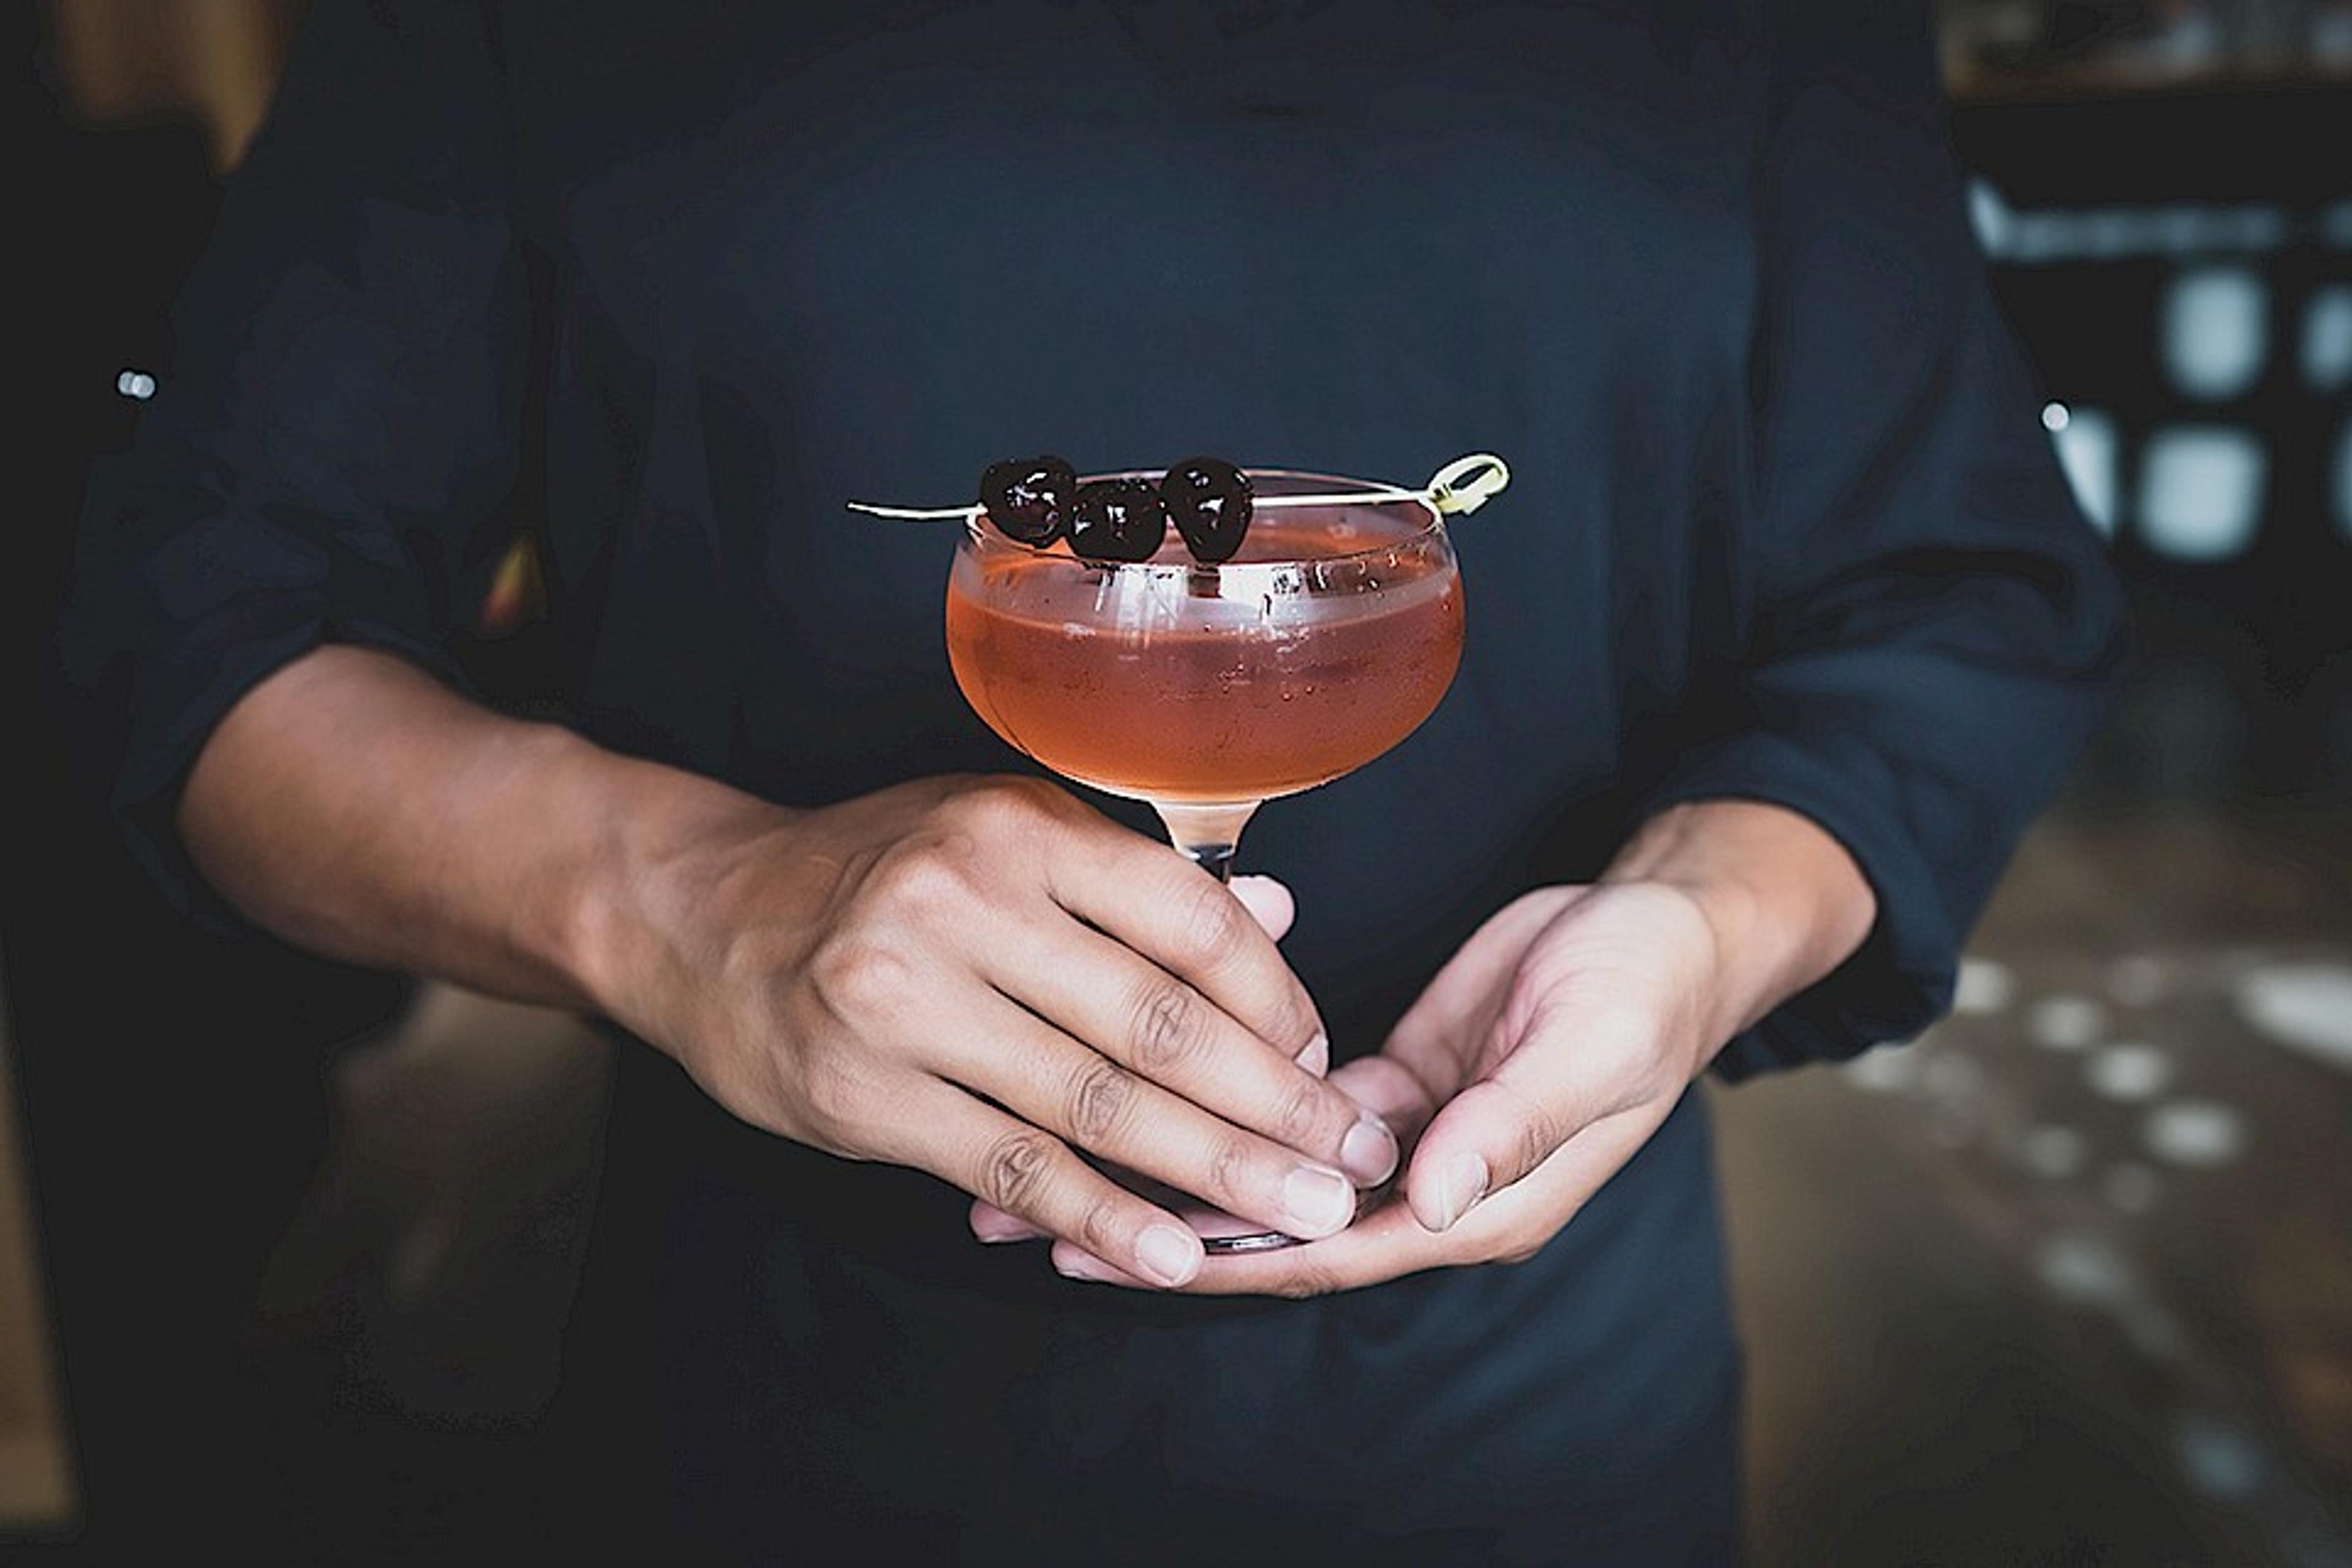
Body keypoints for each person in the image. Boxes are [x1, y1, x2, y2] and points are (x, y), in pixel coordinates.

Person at [59, 0, 2127, 1561]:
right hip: (789, 1412)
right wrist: (684, 891)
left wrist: (1697, 923)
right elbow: (194, 631)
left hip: (1533, 1417)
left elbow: (1950, 592)